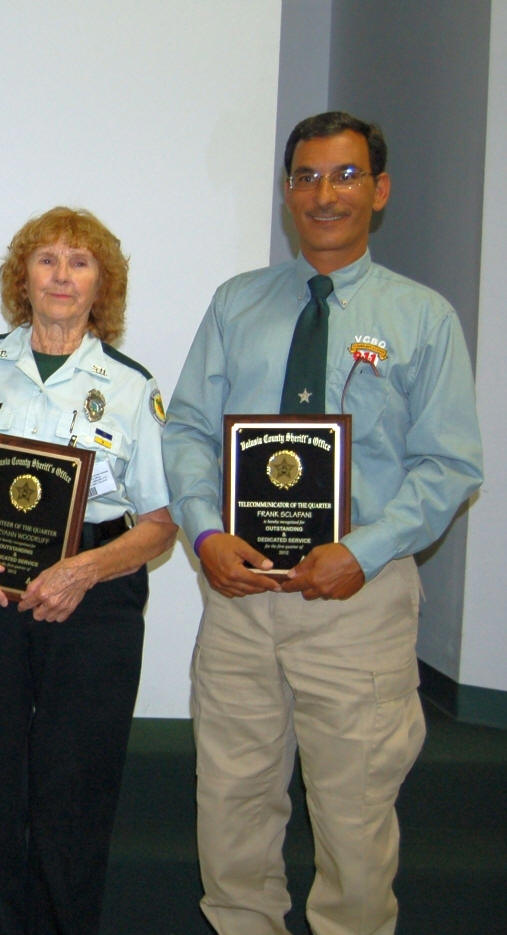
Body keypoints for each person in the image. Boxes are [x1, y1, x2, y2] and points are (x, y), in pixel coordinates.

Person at [162, 111, 483, 935]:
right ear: (285, 193)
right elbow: (189, 430)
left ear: (378, 191)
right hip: (240, 600)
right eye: (304, 176)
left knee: (353, 823)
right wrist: (203, 533)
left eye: (343, 176)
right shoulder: (237, 304)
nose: (322, 194)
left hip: (357, 604)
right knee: (231, 810)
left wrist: (363, 550)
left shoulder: (422, 318)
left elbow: (448, 465)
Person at [0, 207, 177, 934]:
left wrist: (85, 569)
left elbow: (161, 522)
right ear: (21, 278)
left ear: (103, 284)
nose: (61, 275)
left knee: (75, 791)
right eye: (46, 260)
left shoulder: (130, 385)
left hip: (91, 598)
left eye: (80, 262)